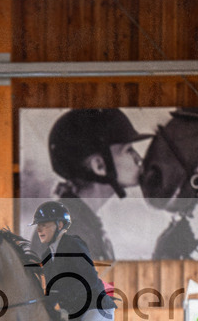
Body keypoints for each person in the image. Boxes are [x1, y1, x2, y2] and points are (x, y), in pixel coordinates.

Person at [44, 109, 153, 261]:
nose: (139, 158)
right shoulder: (70, 233)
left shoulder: (79, 222)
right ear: (99, 166)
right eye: (128, 150)